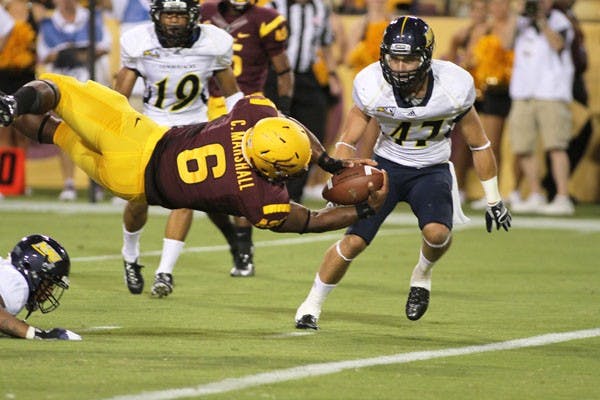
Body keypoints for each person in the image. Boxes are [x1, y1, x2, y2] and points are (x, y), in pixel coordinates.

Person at [293, 16, 512, 330]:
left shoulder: (453, 86)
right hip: (387, 168)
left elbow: (479, 144)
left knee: (438, 235)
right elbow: (347, 139)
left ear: (426, 57)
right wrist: (339, 177)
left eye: (408, 59)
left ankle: (422, 275)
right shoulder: (372, 85)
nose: (399, 66)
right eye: (394, 58)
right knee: (354, 242)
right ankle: (311, 306)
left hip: (431, 168)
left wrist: (493, 199)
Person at [0, 75, 389, 249]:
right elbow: (313, 221)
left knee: (62, 92)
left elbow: (292, 127)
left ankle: (12, 104)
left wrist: (328, 158)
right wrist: (362, 211)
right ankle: (16, 109)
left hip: (140, 137)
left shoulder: (251, 114)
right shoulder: (260, 199)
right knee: (56, 133)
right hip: (131, 183)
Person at [113, 0, 247, 297]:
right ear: (157, 16)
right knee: (138, 198)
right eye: (168, 14)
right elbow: (117, 98)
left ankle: (165, 272)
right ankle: (130, 255)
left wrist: (243, 122)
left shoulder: (213, 43)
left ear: (194, 17)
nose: (173, 21)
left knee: (184, 198)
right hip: (150, 127)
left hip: (192, 127)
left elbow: (232, 94)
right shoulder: (139, 42)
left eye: (179, 15)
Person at [200, 0, 294, 278]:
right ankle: (234, 238)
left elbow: (284, 70)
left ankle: (243, 250)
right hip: (203, 105)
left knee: (242, 180)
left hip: (247, 106)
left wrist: (284, 111)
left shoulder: (267, 18)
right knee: (204, 189)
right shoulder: (203, 13)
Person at [264, 0, 341, 203]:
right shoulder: (274, 6)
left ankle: (293, 195)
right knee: (272, 132)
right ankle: (268, 188)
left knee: (314, 132)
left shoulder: (320, 8)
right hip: (276, 77)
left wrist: (332, 74)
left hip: (307, 76)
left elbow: (325, 44)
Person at [37, 0, 112, 201]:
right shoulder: (48, 23)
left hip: (92, 83)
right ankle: (69, 183)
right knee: (64, 132)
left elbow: (105, 46)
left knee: (97, 135)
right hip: (63, 85)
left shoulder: (92, 17)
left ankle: (100, 183)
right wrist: (75, 53)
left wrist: (72, 53)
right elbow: (44, 55)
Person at [508, 0, 575, 215]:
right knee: (522, 146)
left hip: (551, 92)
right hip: (523, 91)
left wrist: (541, 21)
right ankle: (536, 193)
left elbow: (559, 45)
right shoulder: (520, 22)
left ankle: (563, 197)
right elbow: (505, 43)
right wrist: (515, 15)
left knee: (556, 146)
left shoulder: (560, 21)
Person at [0, 234, 81, 340]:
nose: (50, 290)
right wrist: (36, 334)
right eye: (48, 282)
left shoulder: (7, 272)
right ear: (32, 270)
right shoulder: (18, 285)